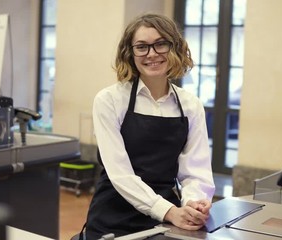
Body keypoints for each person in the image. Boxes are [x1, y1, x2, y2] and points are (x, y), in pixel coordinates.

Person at [83, 13, 215, 239]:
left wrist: (194, 203)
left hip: (167, 220)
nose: (151, 54)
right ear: (130, 53)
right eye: (141, 47)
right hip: (114, 217)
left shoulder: (191, 106)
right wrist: (169, 211)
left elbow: (196, 171)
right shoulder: (109, 100)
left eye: (160, 44)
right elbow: (120, 175)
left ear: (175, 48)